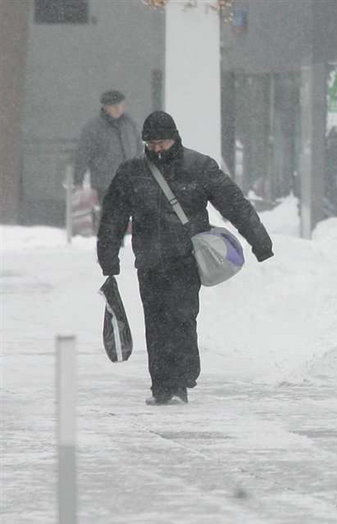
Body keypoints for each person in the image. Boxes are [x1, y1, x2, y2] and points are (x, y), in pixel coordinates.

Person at [97, 111, 274, 405]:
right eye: (151, 144)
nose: (157, 149)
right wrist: (108, 258)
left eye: (162, 142)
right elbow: (113, 217)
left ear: (175, 138)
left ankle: (184, 375)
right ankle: (162, 387)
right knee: (156, 323)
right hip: (150, 260)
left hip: (185, 258)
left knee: (182, 318)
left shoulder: (199, 167)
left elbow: (235, 205)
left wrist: (260, 243)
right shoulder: (131, 172)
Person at [73, 90, 142, 202]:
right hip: (104, 183)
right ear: (106, 107)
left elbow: (139, 149)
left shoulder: (130, 125)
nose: (119, 110)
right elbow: (82, 155)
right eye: (115, 107)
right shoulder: (93, 128)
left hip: (129, 182)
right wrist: (78, 181)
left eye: (122, 106)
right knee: (109, 216)